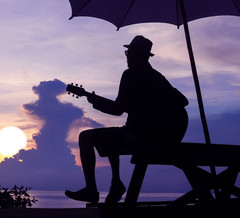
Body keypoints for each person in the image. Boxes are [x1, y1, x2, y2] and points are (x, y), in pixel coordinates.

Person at [65, 35, 189, 204]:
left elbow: (117, 109)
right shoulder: (157, 76)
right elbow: (183, 101)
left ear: (135, 55)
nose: (127, 57)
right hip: (168, 137)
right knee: (113, 135)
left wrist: (94, 101)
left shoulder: (130, 75)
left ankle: (92, 190)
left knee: (85, 137)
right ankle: (116, 182)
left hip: (143, 137)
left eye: (128, 53)